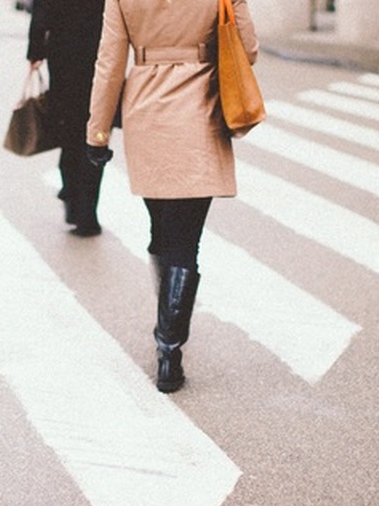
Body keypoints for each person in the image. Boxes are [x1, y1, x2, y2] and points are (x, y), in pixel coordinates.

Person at [84, 0, 257, 393]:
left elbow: (109, 62)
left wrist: (98, 131)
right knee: (185, 241)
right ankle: (169, 349)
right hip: (200, 110)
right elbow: (247, 50)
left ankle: (167, 332)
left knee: (161, 231)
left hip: (147, 111)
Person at [26, 0, 106, 237]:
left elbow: (41, 8)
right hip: (100, 54)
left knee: (70, 130)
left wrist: (36, 48)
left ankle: (72, 197)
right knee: (95, 132)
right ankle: (87, 212)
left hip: (63, 52)